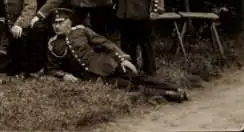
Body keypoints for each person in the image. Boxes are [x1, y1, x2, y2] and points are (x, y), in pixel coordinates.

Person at [44, 8, 187, 102]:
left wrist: (122, 59)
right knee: (127, 86)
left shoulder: (81, 31)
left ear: (68, 22)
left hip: (106, 64)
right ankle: (168, 95)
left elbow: (106, 43)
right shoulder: (53, 44)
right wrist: (64, 76)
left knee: (137, 77)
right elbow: (51, 69)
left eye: (60, 22)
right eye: (54, 23)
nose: (57, 26)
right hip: (91, 76)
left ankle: (174, 87)